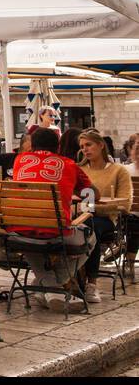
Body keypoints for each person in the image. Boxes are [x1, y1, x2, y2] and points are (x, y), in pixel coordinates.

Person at [6, 126, 95, 313]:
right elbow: (92, 194)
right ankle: (56, 282)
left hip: (17, 232)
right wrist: (74, 188)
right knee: (91, 236)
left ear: (32, 145)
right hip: (56, 232)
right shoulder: (69, 164)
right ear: (58, 146)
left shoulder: (20, 160)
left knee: (30, 238)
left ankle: (45, 287)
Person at [77, 128, 132, 304]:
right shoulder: (79, 170)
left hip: (106, 220)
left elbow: (125, 204)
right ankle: (69, 279)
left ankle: (91, 283)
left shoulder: (118, 171)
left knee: (89, 227)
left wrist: (99, 206)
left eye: (89, 144)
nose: (85, 149)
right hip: (80, 217)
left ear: (101, 145)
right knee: (78, 227)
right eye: (82, 146)